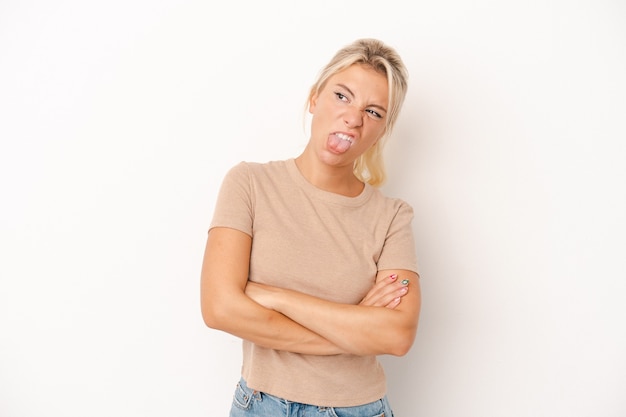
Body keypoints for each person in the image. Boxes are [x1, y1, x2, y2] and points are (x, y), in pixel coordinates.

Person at [200, 38, 421, 416]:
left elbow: (396, 335)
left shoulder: (391, 216)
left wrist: (277, 297)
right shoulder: (249, 184)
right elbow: (220, 308)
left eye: (373, 111)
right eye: (342, 96)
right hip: (260, 405)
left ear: (382, 130)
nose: (354, 118)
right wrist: (353, 330)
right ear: (314, 98)